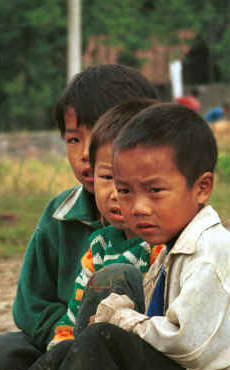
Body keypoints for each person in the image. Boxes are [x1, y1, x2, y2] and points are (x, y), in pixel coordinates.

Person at [23, 103, 230, 370]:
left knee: (100, 342)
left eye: (155, 191)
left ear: (202, 188)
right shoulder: (172, 248)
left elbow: (187, 344)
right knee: (73, 350)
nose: (138, 207)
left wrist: (123, 320)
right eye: (126, 191)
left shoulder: (210, 253)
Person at [0, 64, 158, 370]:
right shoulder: (59, 214)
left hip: (130, 345)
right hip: (60, 339)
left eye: (99, 137)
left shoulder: (162, 214)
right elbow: (30, 302)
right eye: (73, 139)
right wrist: (64, 337)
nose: (84, 155)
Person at [47, 98, 164, 350]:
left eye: (127, 181)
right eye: (107, 177)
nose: (115, 193)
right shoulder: (99, 246)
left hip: (138, 359)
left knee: (116, 276)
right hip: (88, 360)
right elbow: (73, 318)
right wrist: (60, 351)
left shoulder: (162, 247)